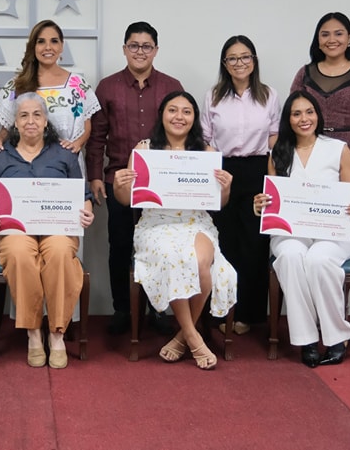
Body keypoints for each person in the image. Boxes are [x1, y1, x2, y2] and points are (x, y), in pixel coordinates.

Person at [113, 91, 238, 370]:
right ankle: (194, 337)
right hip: (156, 224)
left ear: (194, 118)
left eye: (186, 111)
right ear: (162, 115)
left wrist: (226, 188)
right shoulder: (144, 150)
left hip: (196, 222)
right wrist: (119, 185)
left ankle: (182, 335)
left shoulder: (206, 153)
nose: (179, 116)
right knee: (174, 257)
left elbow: (218, 203)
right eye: (172, 110)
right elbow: (126, 199)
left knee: (202, 262)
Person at [0, 93, 94, 369]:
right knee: (18, 253)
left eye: (37, 115)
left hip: (58, 229)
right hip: (14, 231)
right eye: (24, 116)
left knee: (60, 252)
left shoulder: (65, 154)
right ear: (15, 123)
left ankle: (56, 333)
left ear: (45, 121)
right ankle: (32, 332)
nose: (31, 121)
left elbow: (83, 194)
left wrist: (87, 211)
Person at [253, 91, 350, 367]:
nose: (304, 119)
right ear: (287, 119)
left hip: (333, 231)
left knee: (318, 259)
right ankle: (305, 340)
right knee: (291, 256)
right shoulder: (278, 152)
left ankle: (337, 337)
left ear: (318, 115)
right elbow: (271, 199)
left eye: (309, 112)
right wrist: (260, 204)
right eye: (296, 113)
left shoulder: (338, 149)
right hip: (291, 231)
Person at [86, 21, 183, 335]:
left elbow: (184, 131)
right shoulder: (107, 87)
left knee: (158, 245)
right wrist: (95, 178)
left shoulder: (172, 86)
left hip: (162, 184)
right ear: (124, 48)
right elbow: (97, 137)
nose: (140, 51)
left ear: (155, 50)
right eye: (134, 45)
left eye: (146, 46)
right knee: (121, 245)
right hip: (120, 182)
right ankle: (122, 310)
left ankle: (158, 309)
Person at [201, 35, 280, 335]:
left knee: (254, 243)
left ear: (254, 60)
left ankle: (250, 314)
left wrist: (273, 177)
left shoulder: (269, 94)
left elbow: (274, 137)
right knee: (225, 241)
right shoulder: (213, 96)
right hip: (222, 170)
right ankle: (222, 313)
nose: (239, 63)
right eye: (232, 58)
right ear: (225, 63)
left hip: (258, 168)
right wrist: (215, 165)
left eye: (245, 57)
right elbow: (205, 138)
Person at [290, 12, 350, 248]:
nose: (332, 39)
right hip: (310, 150)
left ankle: (341, 284)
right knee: (306, 219)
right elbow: (292, 112)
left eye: (339, 33)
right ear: (317, 40)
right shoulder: (304, 73)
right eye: (325, 34)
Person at [0, 19, 100, 167]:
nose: (48, 47)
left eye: (54, 41)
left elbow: (87, 126)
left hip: (66, 166)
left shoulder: (77, 84)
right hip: (26, 166)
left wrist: (77, 145)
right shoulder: (17, 84)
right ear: (33, 47)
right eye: (41, 42)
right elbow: (7, 128)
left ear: (61, 46)